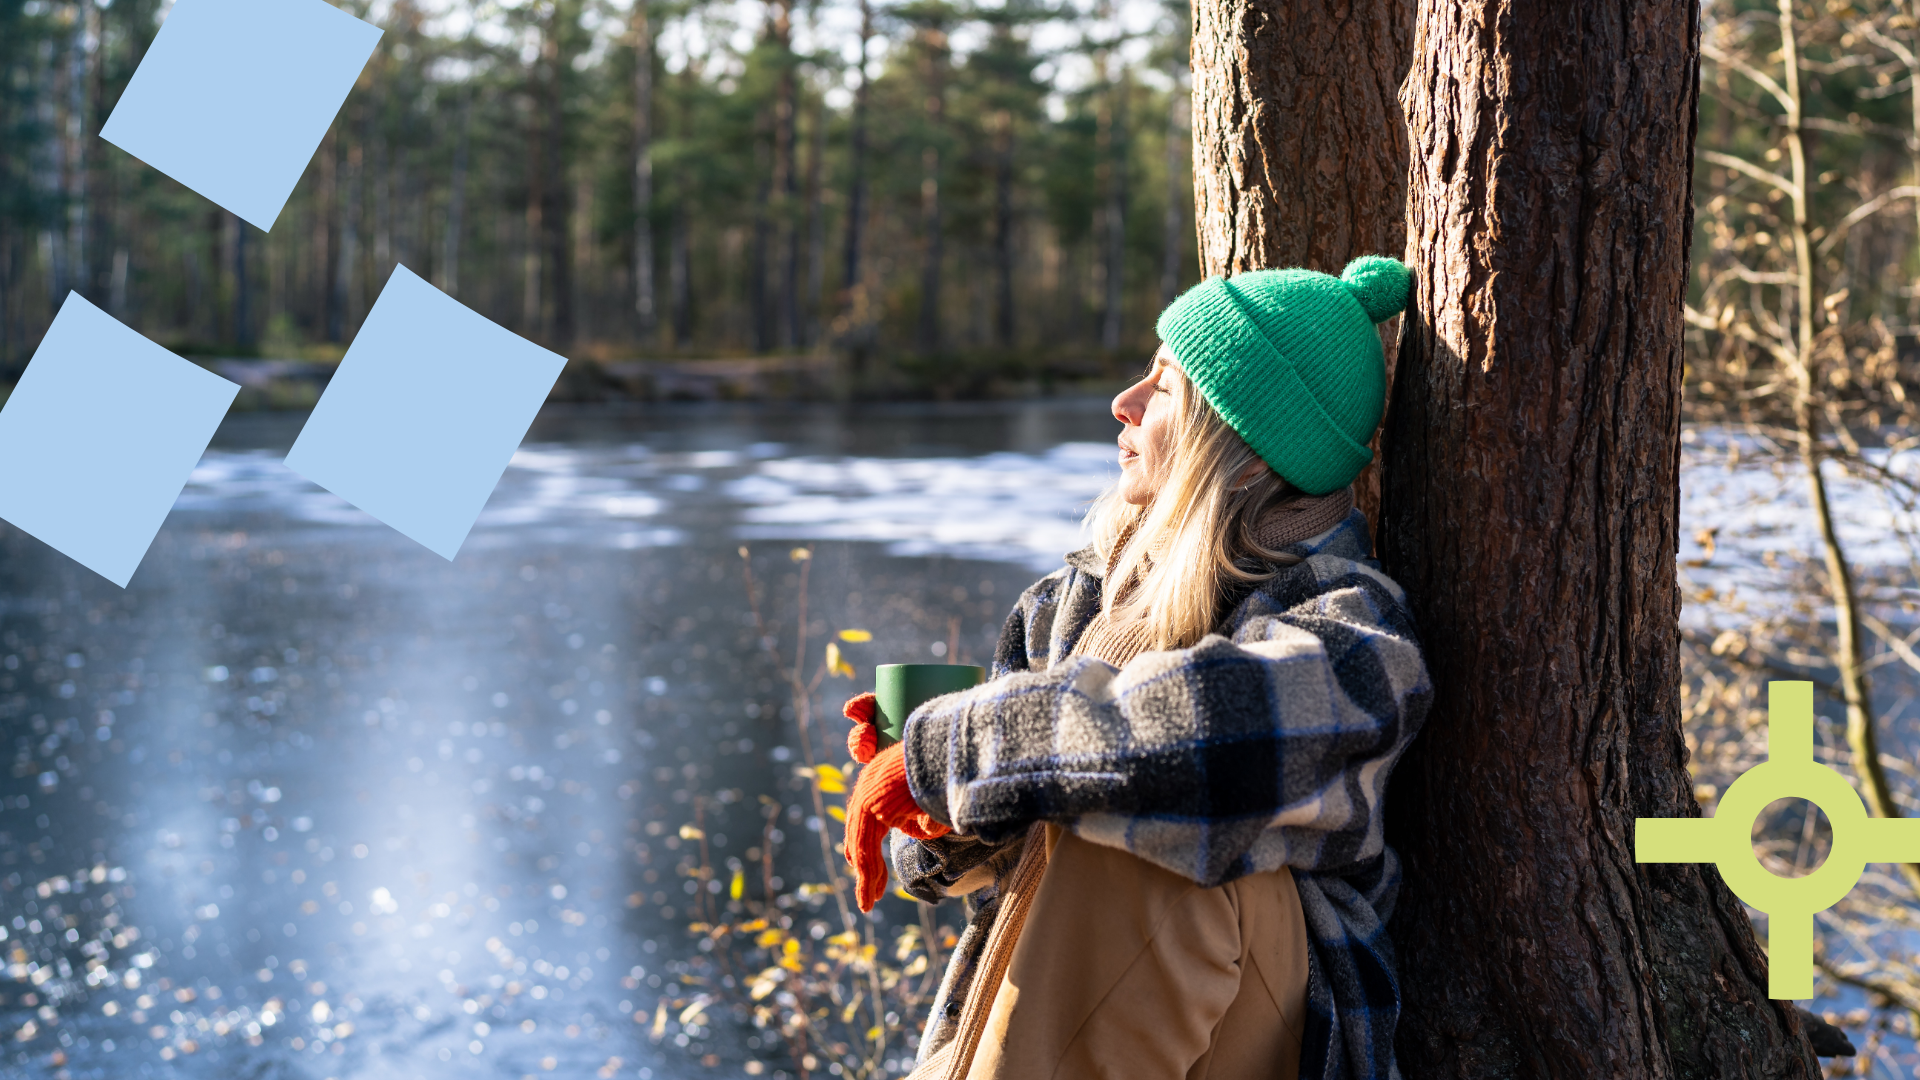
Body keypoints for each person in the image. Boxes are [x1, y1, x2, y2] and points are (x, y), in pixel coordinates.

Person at [839, 256, 1433, 1080]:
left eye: (1161, 387)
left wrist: (963, 749)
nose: (1121, 404)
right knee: (1098, 811)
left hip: (1266, 1030)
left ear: (1246, 448)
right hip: (1111, 1031)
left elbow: (1205, 742)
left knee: (1144, 827)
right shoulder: (1071, 605)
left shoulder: (1348, 620)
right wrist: (934, 810)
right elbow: (991, 885)